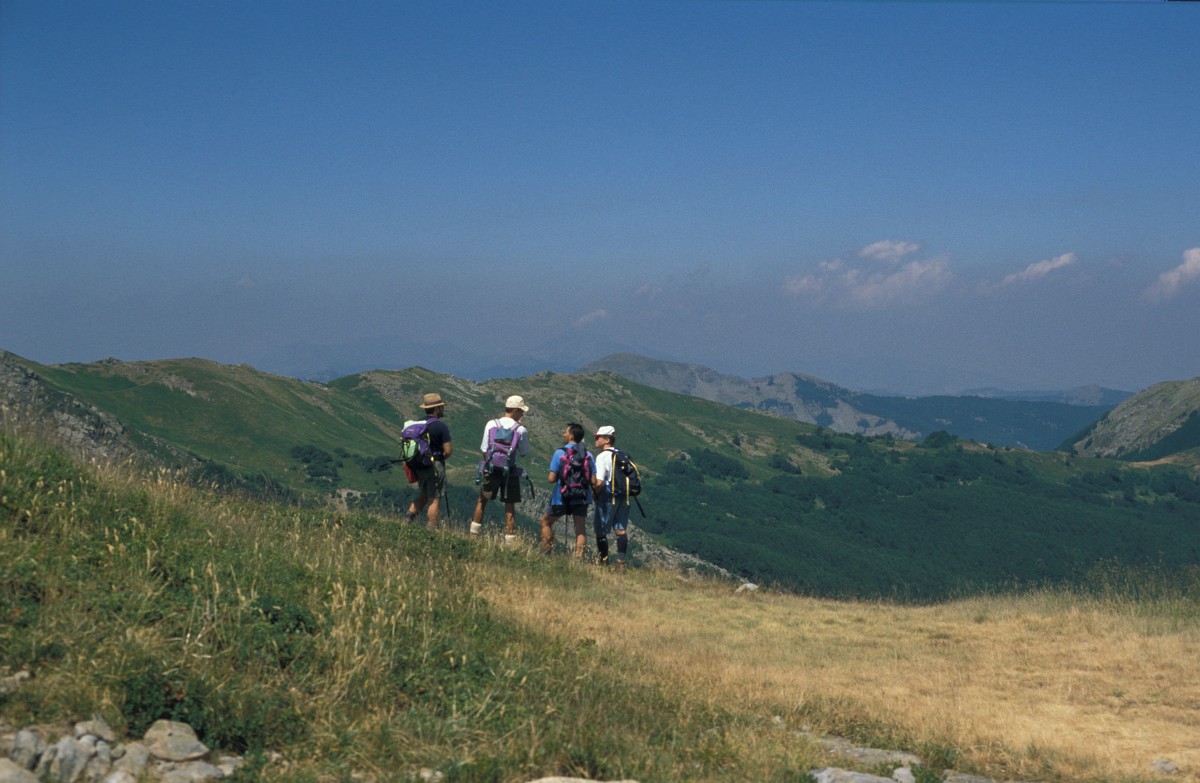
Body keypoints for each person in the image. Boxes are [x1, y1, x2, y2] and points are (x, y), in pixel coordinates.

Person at [470, 395, 532, 543]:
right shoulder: (520, 429)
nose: (522, 414)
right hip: (509, 471)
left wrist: (491, 462)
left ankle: (473, 535)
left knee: (482, 500)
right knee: (509, 505)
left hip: (491, 469)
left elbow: (484, 449)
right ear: (515, 410)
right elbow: (524, 453)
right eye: (521, 411)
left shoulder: (491, 424)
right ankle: (509, 542)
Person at [539, 422, 593, 558]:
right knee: (580, 528)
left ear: (571, 436)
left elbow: (551, 479)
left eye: (566, 432)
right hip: (582, 496)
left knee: (546, 522)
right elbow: (592, 480)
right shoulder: (588, 455)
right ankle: (578, 559)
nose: (564, 434)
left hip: (561, 496)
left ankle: (546, 553)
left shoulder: (560, 453)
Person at [404, 392, 453, 529]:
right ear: (437, 409)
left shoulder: (417, 424)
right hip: (434, 465)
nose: (443, 409)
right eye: (441, 407)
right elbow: (448, 450)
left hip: (419, 465)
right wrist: (440, 460)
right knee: (434, 498)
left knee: (423, 496)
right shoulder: (440, 426)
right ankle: (430, 529)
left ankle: (406, 521)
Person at [591, 425, 632, 571]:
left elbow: (599, 482)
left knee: (601, 530)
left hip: (608, 496)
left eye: (598, 437)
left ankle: (604, 561)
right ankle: (621, 563)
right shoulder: (622, 455)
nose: (596, 440)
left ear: (607, 440)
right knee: (620, 530)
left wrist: (594, 493)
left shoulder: (602, 457)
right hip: (624, 496)